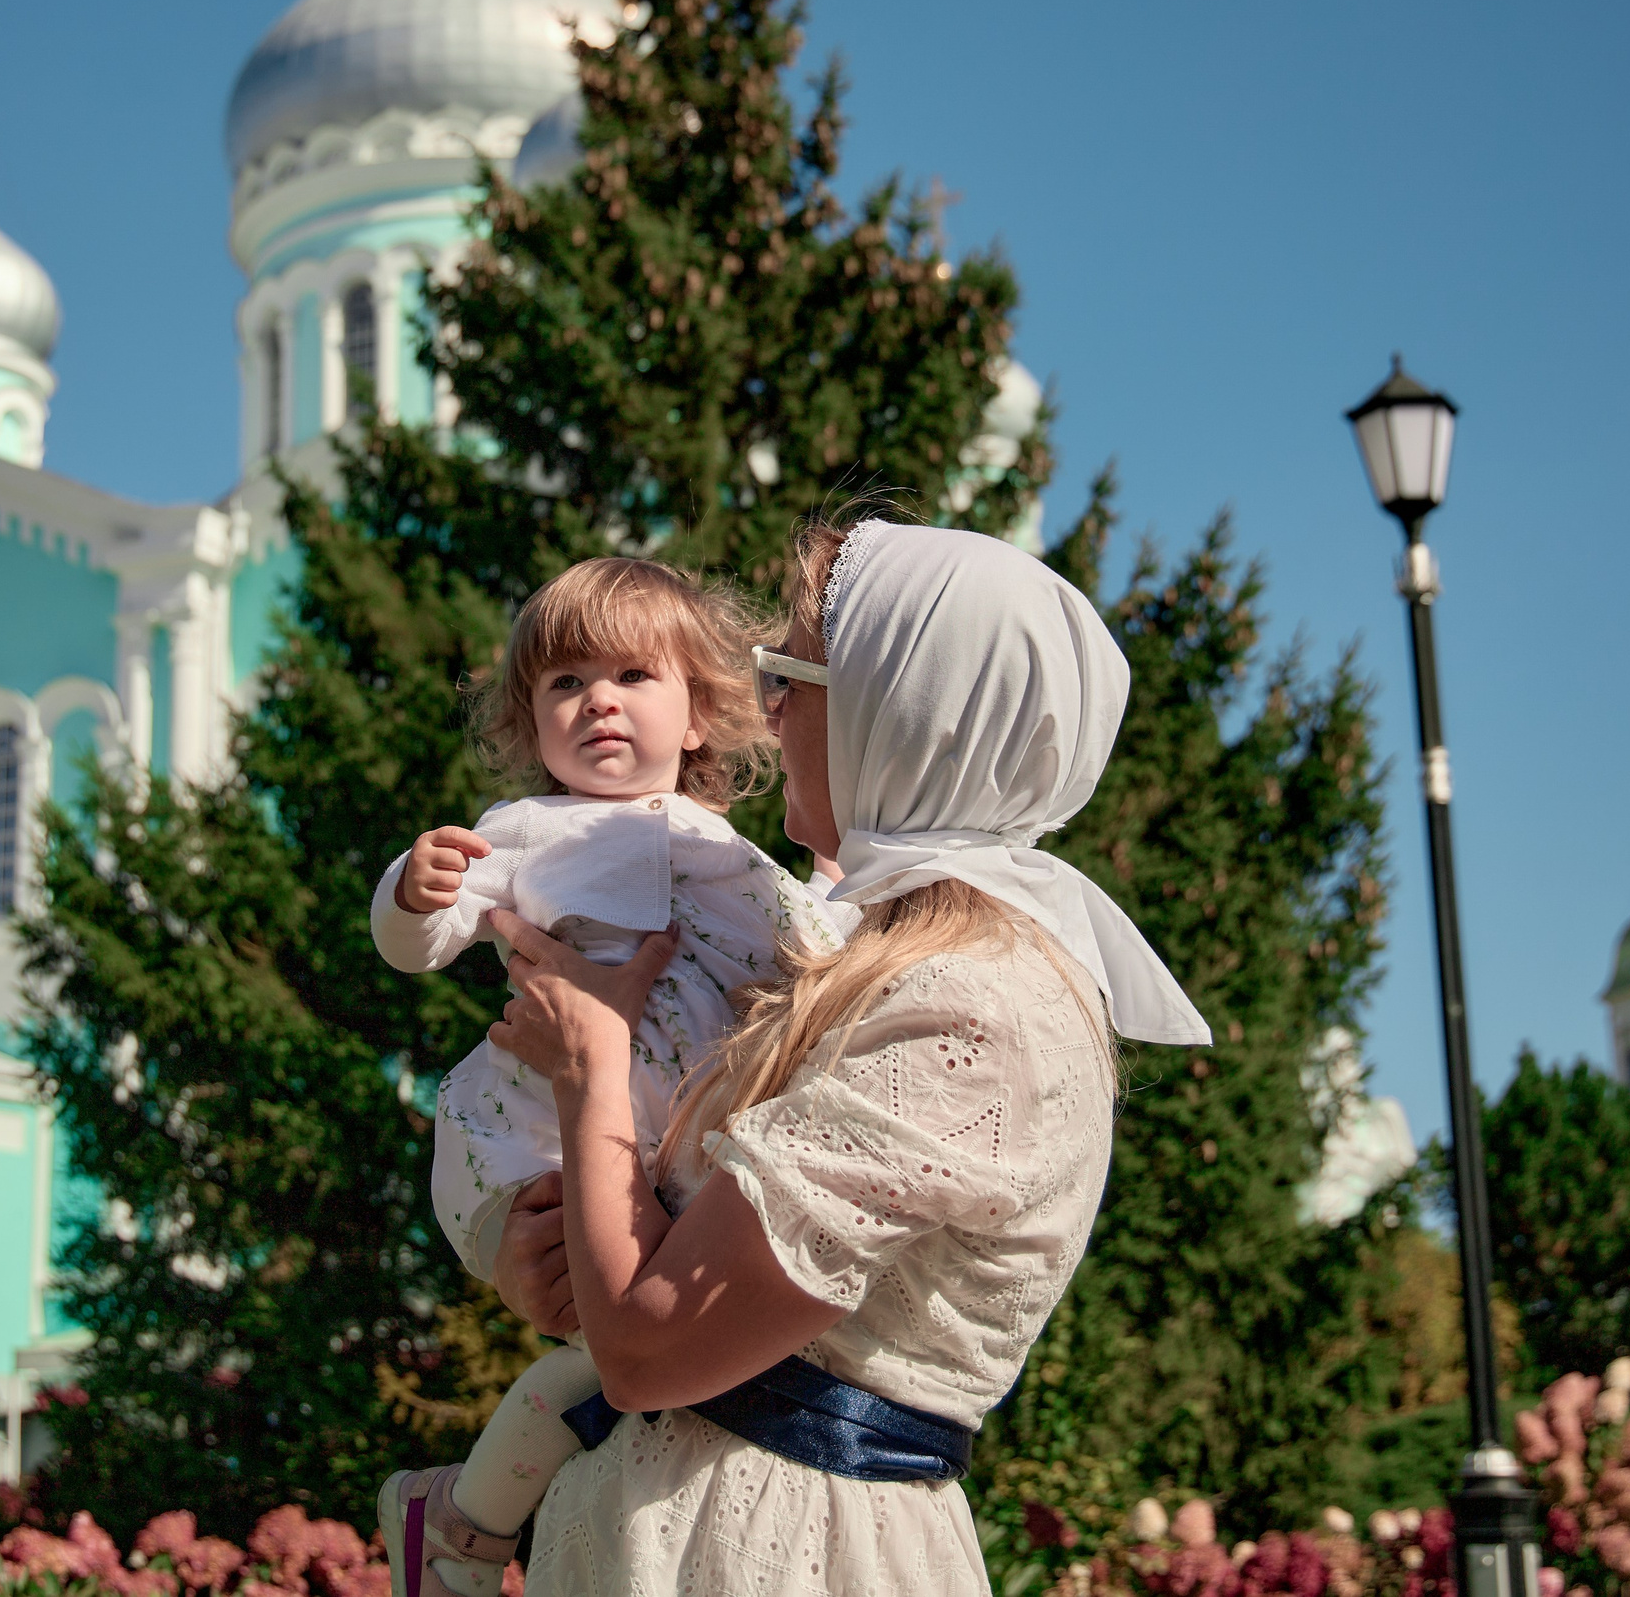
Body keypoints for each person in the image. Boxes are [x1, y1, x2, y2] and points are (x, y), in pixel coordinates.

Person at [484, 519, 1213, 1596]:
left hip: (784, 1553)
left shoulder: (969, 1007)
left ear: (907, 710)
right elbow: (647, 1284)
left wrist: (589, 1058)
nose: (768, 708)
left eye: (793, 673)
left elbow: (650, 1351)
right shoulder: (877, 960)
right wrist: (547, 1256)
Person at [370, 556, 853, 1597]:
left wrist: (843, 908)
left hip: (662, 1141)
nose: (596, 698)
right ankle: (460, 1532)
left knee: (622, 1365)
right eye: (563, 682)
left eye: (632, 674)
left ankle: (455, 1518)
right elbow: (420, 944)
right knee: (607, 1343)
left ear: (696, 716)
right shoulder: (520, 834)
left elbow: (805, 955)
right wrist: (410, 892)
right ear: (529, 720)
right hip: (536, 1136)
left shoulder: (729, 851)